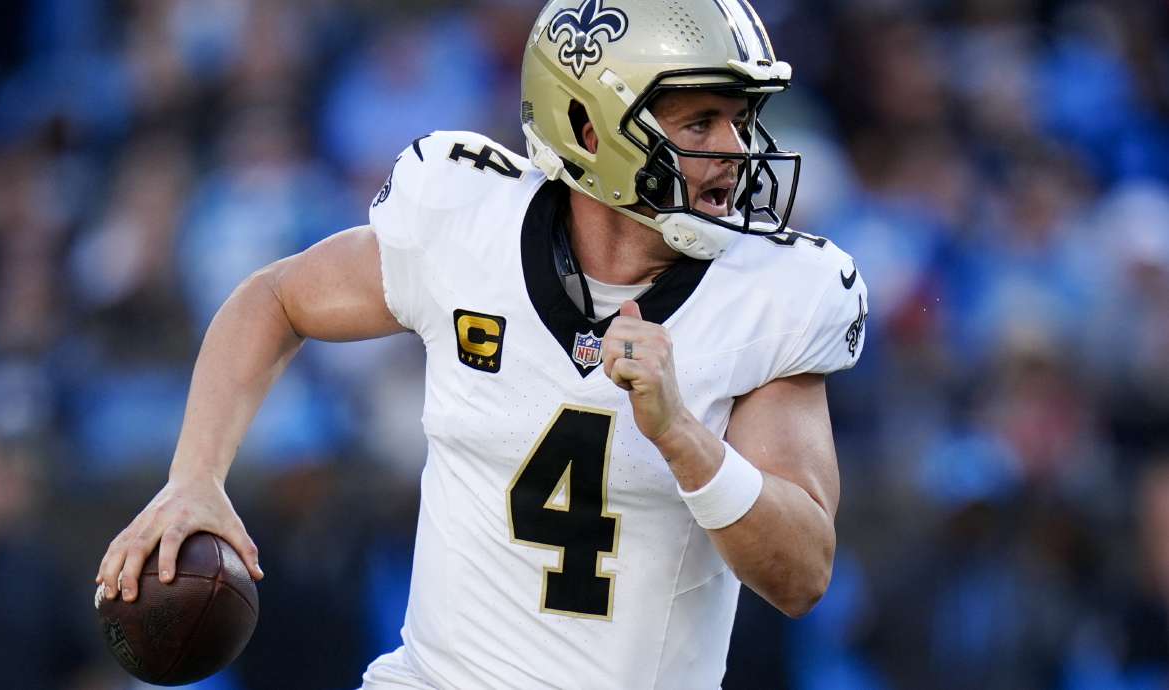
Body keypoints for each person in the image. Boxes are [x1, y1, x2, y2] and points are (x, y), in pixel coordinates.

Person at [95, 0, 869, 687]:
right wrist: (194, 478)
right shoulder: (469, 223)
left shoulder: (772, 293)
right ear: (590, 127)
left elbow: (802, 573)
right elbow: (274, 297)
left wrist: (685, 440)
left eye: (741, 119)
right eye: (701, 123)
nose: (735, 150)